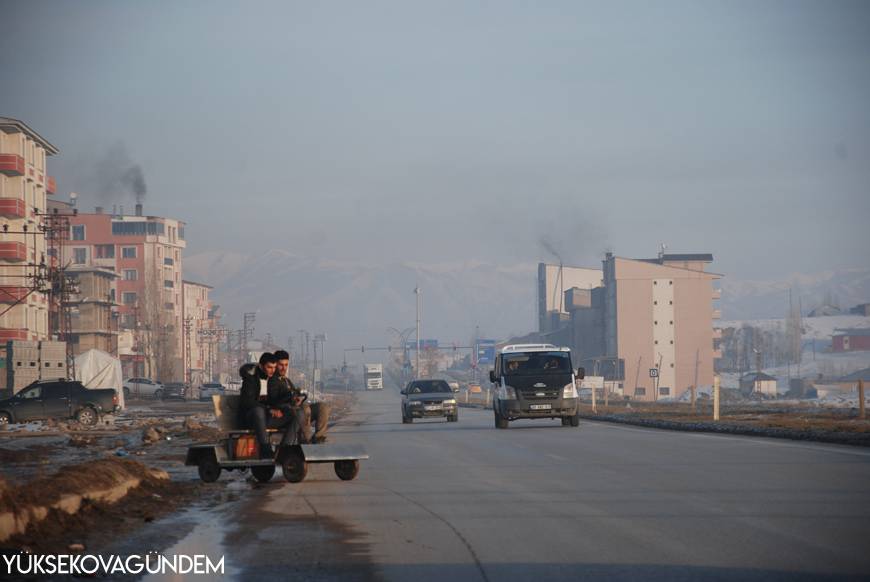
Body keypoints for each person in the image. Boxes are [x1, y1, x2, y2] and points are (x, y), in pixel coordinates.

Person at [239, 352, 303, 459]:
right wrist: (269, 410)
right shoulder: (251, 379)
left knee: (299, 413)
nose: (272, 370)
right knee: (258, 411)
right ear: (261, 366)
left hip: (268, 419)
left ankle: (284, 450)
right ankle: (265, 449)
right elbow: (247, 402)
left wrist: (292, 398)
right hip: (252, 419)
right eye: (269, 367)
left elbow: (282, 395)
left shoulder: (274, 379)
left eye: (274, 367)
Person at [274, 350, 331, 444]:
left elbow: (294, 393)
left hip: (299, 408)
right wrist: (291, 400)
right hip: (289, 412)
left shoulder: (287, 380)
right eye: (281, 365)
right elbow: (276, 399)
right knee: (304, 409)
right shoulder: (273, 380)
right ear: (275, 364)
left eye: (286, 365)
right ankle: (306, 440)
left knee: (323, 407)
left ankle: (318, 438)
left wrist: (298, 396)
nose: (284, 368)